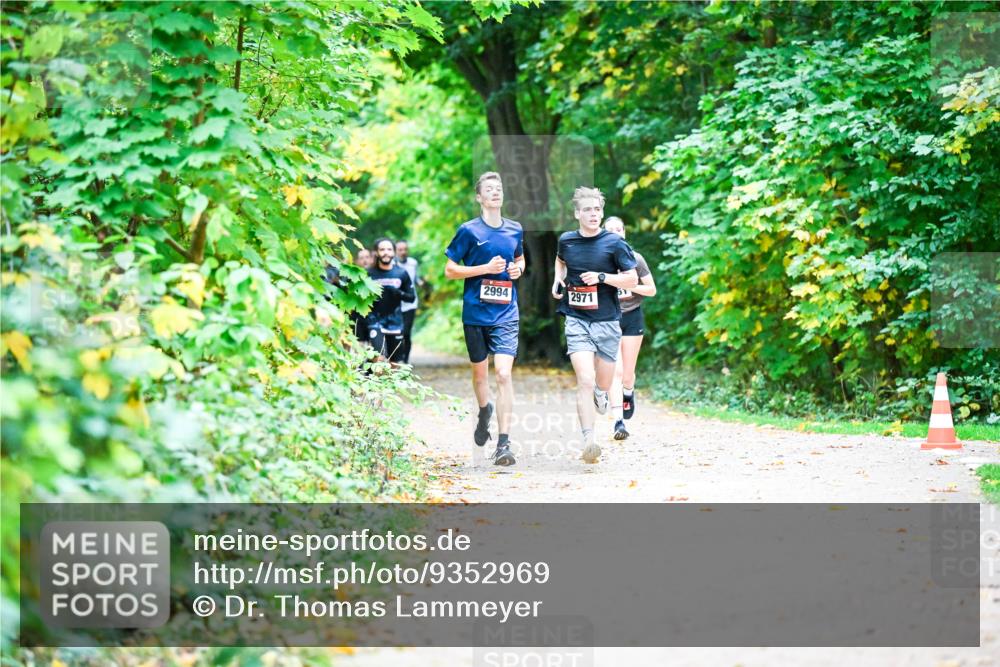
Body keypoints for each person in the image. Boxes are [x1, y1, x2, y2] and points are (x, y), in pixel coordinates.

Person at [552, 187, 637, 464]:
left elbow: (631, 280)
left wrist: (602, 277)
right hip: (576, 319)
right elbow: (561, 261)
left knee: (601, 382)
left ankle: (602, 394)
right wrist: (558, 279)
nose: (593, 214)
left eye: (597, 210)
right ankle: (588, 440)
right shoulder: (567, 240)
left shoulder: (614, 243)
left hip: (607, 322)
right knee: (585, 380)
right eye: (587, 209)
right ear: (577, 213)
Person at [444, 172, 524, 466]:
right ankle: (483, 411)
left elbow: (519, 259)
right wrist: (484, 269)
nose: (495, 192)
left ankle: (504, 443)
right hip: (475, 312)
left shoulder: (515, 229)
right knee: (481, 376)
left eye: (499, 188)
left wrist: (518, 270)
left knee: (503, 374)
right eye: (489, 189)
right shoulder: (469, 231)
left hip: (506, 311)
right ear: (479, 197)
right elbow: (450, 270)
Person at [603, 216, 656, 440]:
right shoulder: (600, 261)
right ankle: (618, 422)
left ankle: (628, 392)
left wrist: (631, 284)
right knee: (616, 371)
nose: (615, 233)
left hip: (632, 317)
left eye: (618, 229)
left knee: (627, 374)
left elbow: (651, 290)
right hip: (609, 318)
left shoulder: (636, 259)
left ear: (624, 233)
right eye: (610, 230)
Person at [366, 238, 414, 362]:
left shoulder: (401, 273)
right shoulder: (368, 274)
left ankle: (391, 380)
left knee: (394, 364)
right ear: (376, 253)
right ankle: (377, 380)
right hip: (374, 321)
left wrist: (397, 292)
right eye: (382, 249)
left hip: (395, 322)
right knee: (379, 359)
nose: (386, 252)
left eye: (389, 249)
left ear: (394, 252)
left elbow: (411, 298)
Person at [394, 240, 421, 364]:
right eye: (400, 250)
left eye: (405, 249)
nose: (403, 252)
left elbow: (416, 279)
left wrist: (421, 283)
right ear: (395, 251)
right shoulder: (392, 264)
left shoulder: (413, 263)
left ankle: (405, 361)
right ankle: (396, 358)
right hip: (396, 303)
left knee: (406, 332)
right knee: (397, 332)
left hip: (411, 302)